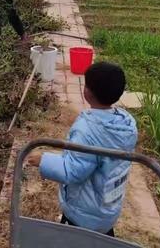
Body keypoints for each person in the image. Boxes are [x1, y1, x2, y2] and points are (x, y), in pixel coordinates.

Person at [28, 62, 138, 237]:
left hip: (84, 214)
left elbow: (73, 171)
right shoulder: (126, 123)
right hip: (108, 206)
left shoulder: (87, 130)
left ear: (87, 91)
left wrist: (44, 160)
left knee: (77, 240)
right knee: (103, 238)